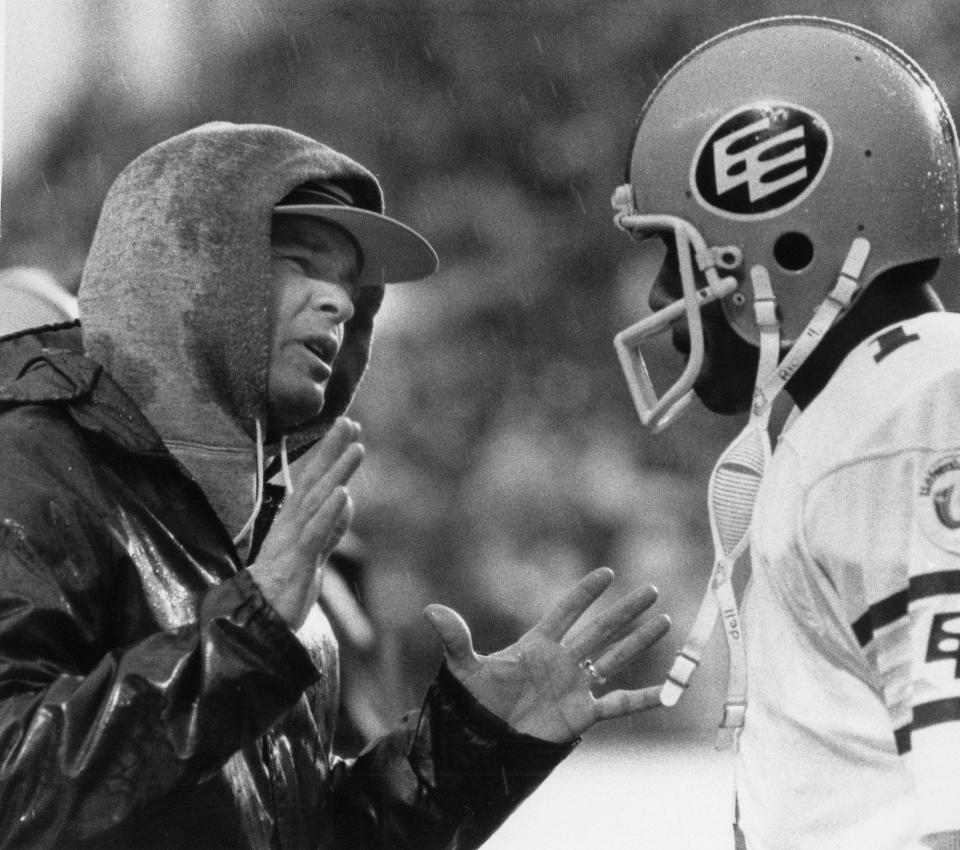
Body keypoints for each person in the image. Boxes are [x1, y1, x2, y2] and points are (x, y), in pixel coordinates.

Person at [0, 121, 670, 849]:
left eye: (352, 285)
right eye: (299, 260)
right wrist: (240, 644)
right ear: (184, 266)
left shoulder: (277, 548)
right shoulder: (25, 471)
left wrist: (473, 751)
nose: (341, 302)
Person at [610, 16, 960, 850]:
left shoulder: (905, 423)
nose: (665, 296)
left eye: (678, 253)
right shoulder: (872, 405)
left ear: (788, 244)